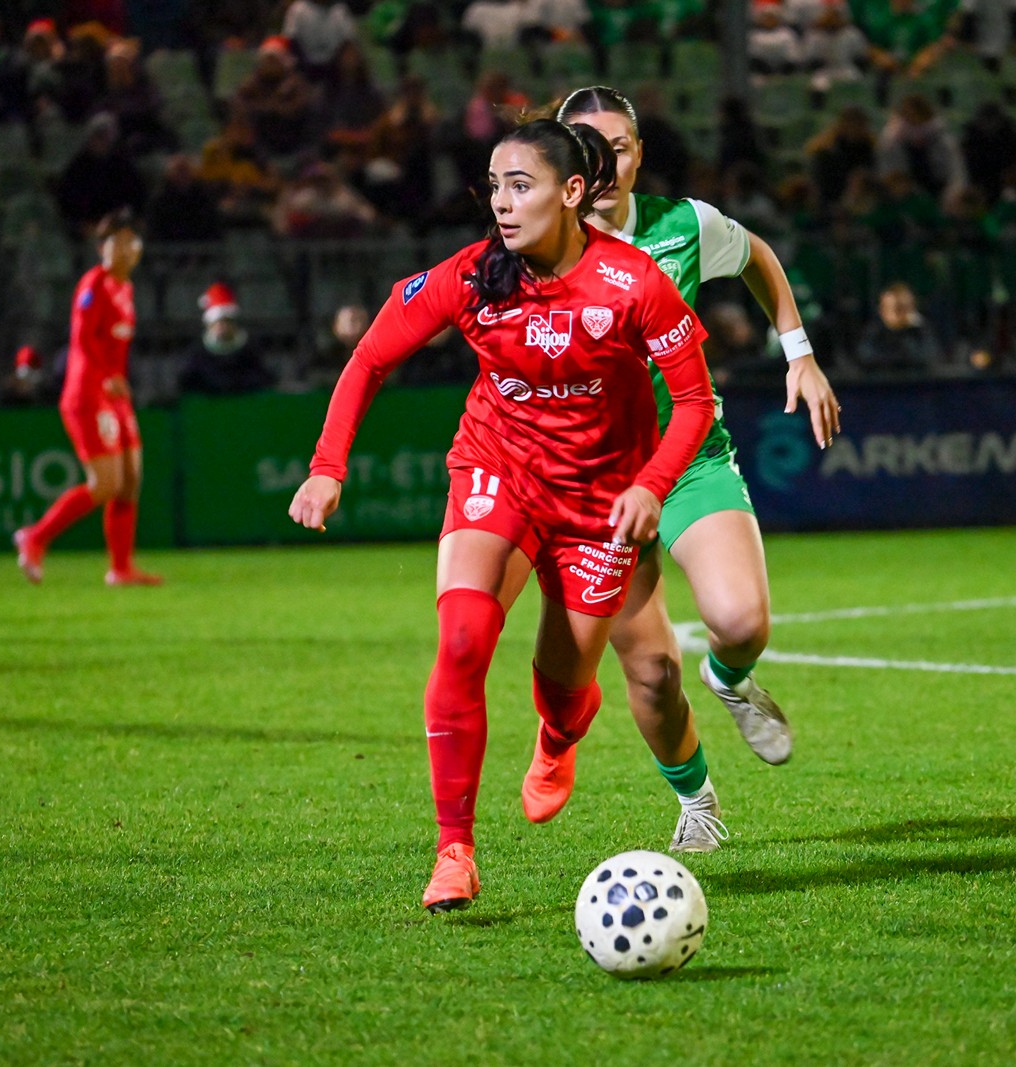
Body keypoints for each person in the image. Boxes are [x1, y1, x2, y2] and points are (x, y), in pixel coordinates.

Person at [288, 118, 716, 911]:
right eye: (494, 186)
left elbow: (695, 401)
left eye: (520, 185)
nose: (502, 203)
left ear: (573, 191)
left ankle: (558, 736)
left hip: (599, 500)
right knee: (461, 640)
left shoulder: (632, 282)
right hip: (498, 471)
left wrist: (653, 485)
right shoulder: (473, 276)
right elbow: (371, 356)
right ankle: (454, 850)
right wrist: (327, 465)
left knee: (566, 687)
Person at [557, 86, 841, 849]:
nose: (603, 165)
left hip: (685, 459)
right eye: (585, 150)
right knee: (652, 672)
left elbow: (758, 257)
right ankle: (698, 802)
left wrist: (799, 353)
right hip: (594, 486)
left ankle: (730, 676)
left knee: (742, 623)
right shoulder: (538, 245)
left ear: (638, 153)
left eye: (617, 148)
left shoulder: (684, 225)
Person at [14, 211, 162, 587]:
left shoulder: (126, 288)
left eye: (131, 241)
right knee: (105, 484)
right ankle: (35, 537)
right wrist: (108, 376)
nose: (125, 249)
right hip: (89, 392)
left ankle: (121, 568)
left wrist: (117, 381)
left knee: (130, 481)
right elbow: (82, 338)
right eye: (116, 241)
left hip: (114, 394)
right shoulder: (93, 284)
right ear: (101, 248)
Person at [177, 283, 277, 395]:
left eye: (226, 321)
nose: (221, 327)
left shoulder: (250, 348)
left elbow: (262, 377)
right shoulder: (198, 351)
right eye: (216, 323)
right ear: (208, 325)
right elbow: (188, 381)